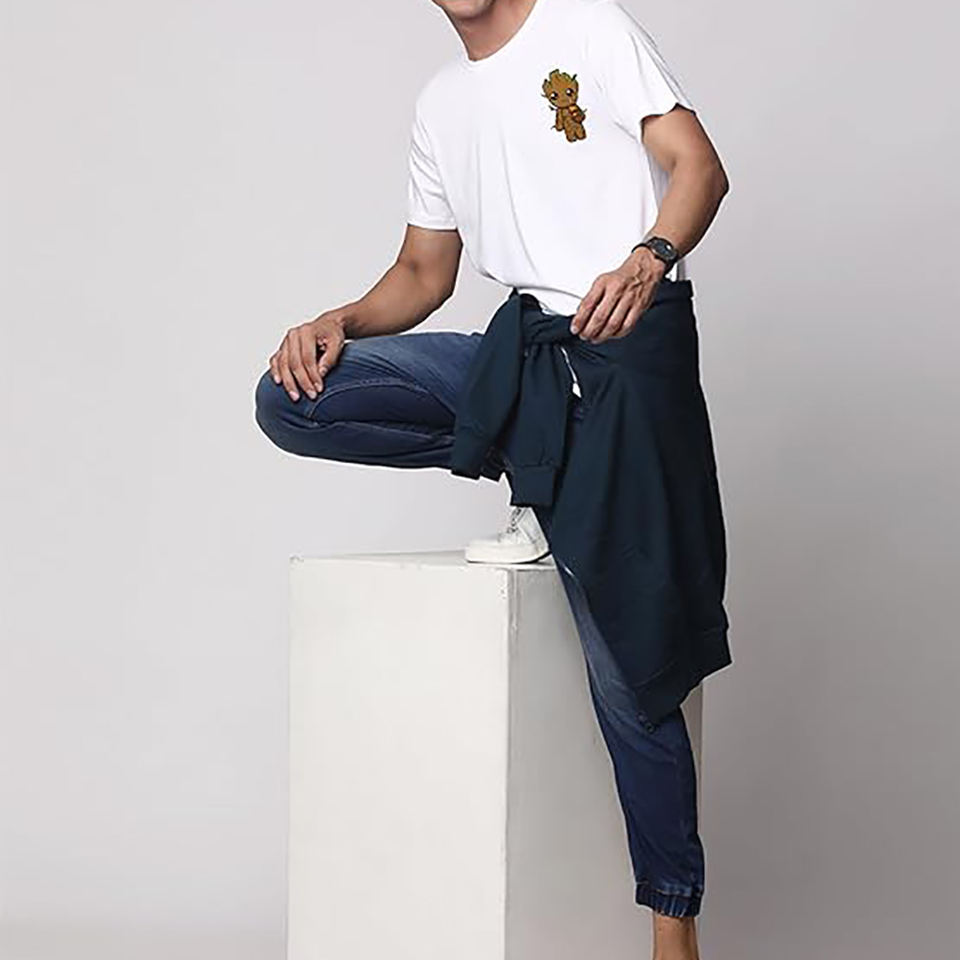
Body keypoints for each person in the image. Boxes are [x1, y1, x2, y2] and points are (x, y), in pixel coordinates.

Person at [254, 1, 730, 957]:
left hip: (624, 353)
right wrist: (337, 321)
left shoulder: (585, 26)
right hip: (525, 356)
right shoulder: (441, 102)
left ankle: (672, 928)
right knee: (292, 398)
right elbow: (423, 272)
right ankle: (536, 463)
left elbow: (699, 167)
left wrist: (651, 258)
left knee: (629, 669)